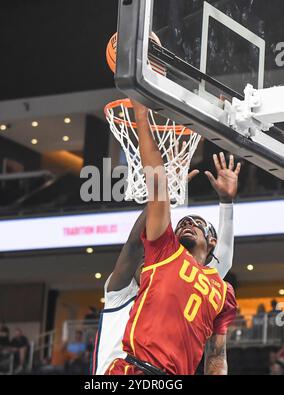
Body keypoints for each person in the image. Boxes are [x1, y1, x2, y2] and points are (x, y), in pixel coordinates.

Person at [99, 101, 240, 375]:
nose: (187, 224)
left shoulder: (221, 290)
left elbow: (217, 356)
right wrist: (141, 115)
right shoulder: (166, 253)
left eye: (197, 224)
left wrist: (226, 203)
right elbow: (158, 186)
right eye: (182, 222)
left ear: (211, 243)